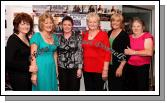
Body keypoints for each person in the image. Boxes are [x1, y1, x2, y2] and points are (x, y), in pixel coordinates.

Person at [29, 12, 59, 91]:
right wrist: (34, 73)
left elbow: (55, 54)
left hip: (51, 68)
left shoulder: (55, 37)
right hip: (41, 68)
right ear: (42, 24)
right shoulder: (37, 36)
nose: (49, 25)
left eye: (51, 22)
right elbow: (33, 55)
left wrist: (56, 69)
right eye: (46, 23)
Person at [82, 12, 111, 91]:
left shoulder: (103, 34)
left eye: (95, 22)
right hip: (86, 68)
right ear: (87, 23)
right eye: (90, 22)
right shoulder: (84, 34)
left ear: (98, 23)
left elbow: (108, 52)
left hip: (99, 69)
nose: (92, 24)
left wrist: (105, 70)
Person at [124, 17, 154, 91]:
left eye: (138, 26)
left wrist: (133, 52)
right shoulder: (129, 37)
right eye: (134, 26)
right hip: (129, 66)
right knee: (130, 88)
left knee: (141, 88)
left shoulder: (147, 36)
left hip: (142, 67)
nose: (136, 28)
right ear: (131, 28)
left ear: (142, 27)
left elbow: (149, 52)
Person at [6, 12, 33, 91]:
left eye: (28, 24)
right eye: (23, 24)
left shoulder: (26, 37)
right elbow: (8, 62)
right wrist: (27, 67)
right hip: (18, 77)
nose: (26, 26)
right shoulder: (13, 39)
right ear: (17, 25)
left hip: (27, 75)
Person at [57, 16, 83, 91]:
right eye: (64, 24)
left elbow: (80, 52)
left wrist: (80, 68)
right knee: (63, 89)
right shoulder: (58, 38)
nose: (66, 26)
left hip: (74, 69)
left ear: (72, 26)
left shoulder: (78, 37)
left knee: (74, 89)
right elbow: (55, 53)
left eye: (69, 24)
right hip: (62, 69)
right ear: (61, 25)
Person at [107, 13, 130, 91]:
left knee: (118, 88)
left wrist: (120, 67)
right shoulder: (109, 33)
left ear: (121, 23)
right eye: (113, 20)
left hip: (119, 66)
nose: (115, 22)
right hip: (110, 65)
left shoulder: (124, 35)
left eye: (118, 21)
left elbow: (126, 53)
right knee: (111, 88)